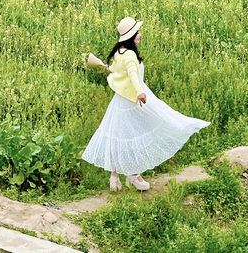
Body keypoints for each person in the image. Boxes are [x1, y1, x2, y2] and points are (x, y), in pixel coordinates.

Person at [82, 17, 209, 191]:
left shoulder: (120, 51)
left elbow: (119, 72)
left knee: (120, 136)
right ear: (131, 36)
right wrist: (140, 92)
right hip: (133, 100)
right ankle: (133, 175)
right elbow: (133, 75)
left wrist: (112, 70)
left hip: (120, 100)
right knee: (137, 134)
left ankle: (115, 178)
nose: (140, 34)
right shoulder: (130, 55)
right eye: (138, 32)